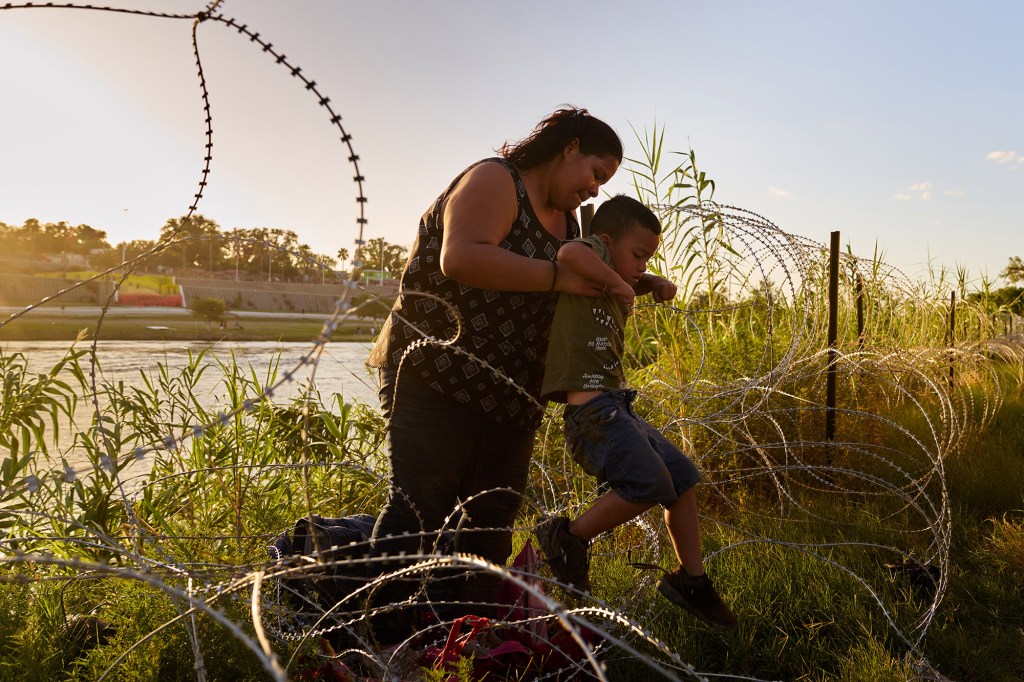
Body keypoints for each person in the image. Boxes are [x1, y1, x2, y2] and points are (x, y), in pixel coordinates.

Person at [366, 107, 677, 611]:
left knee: (489, 523)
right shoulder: (495, 179)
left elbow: (583, 276)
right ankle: (383, 638)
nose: (595, 190)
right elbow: (462, 256)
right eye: (595, 174)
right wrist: (558, 278)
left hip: (512, 393)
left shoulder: (570, 221)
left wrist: (640, 282)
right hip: (437, 376)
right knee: (420, 513)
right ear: (569, 147)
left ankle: (469, 640)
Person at [535, 194, 738, 629]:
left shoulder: (613, 272)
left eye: (648, 258)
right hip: (591, 411)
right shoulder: (590, 257)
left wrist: (653, 279)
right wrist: (621, 283)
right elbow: (570, 252)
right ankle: (566, 538)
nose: (641, 265)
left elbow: (633, 276)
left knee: (681, 478)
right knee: (648, 481)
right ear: (606, 242)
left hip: (615, 406)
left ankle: (692, 580)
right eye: (639, 255)